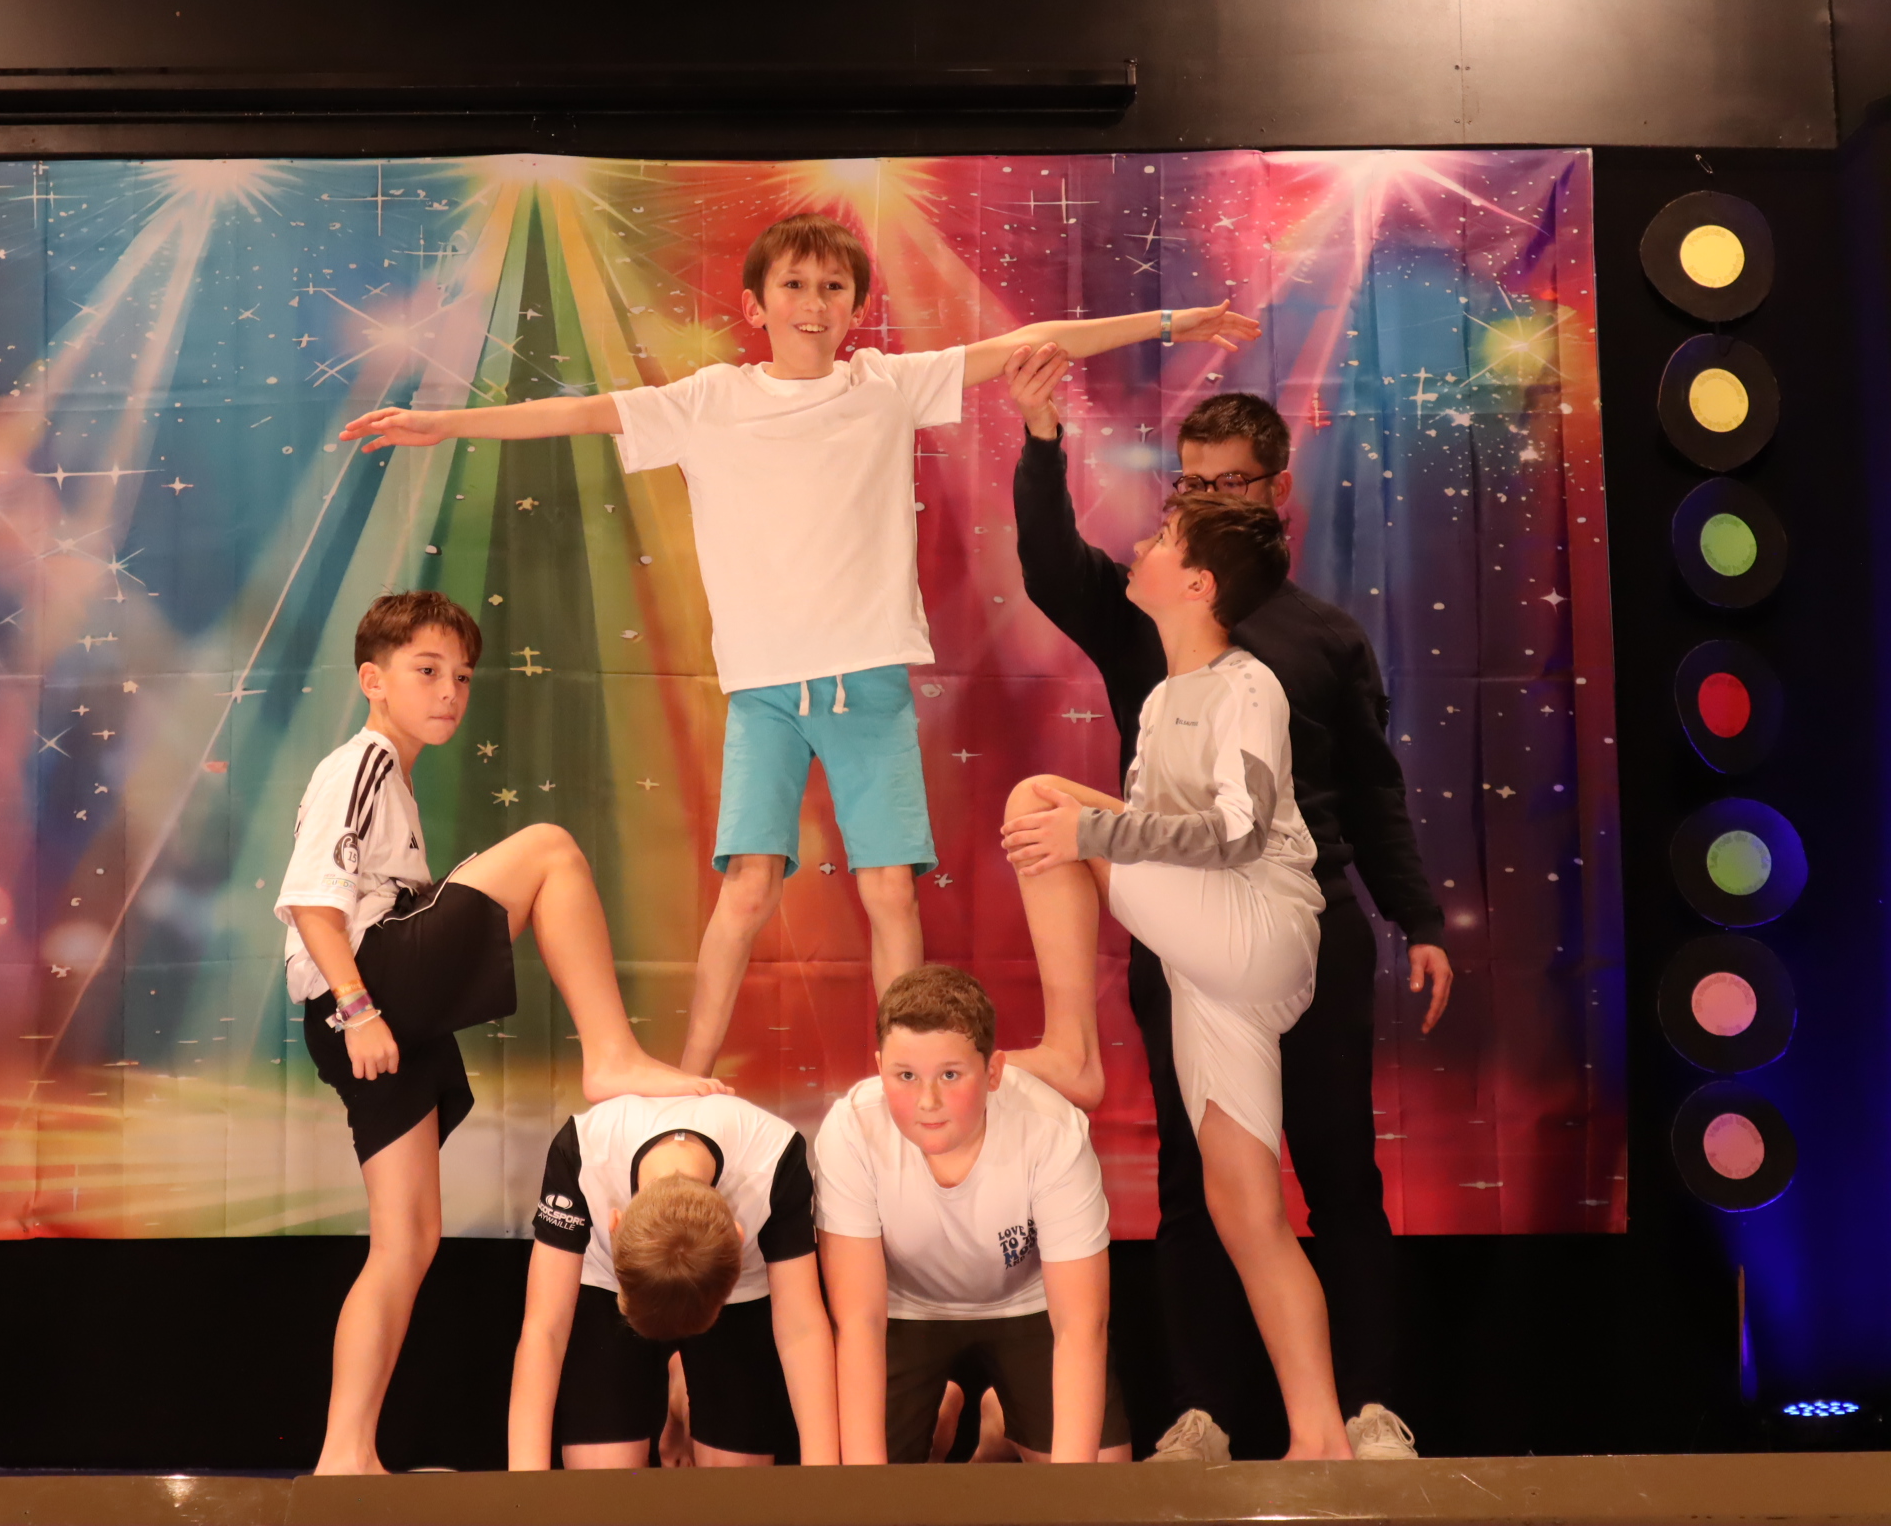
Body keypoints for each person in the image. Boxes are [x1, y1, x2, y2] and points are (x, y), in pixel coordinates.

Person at [341, 214, 1259, 1092]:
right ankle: (687, 1076)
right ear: (756, 304)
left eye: (832, 287)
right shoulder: (711, 400)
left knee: (889, 892)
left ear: (856, 307)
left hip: (868, 684)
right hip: (765, 694)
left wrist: (1172, 322)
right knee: (746, 892)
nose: (813, 303)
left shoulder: (885, 385)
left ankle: (902, 1075)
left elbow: (1032, 339)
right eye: (793, 285)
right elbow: (580, 414)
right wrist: (445, 423)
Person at [1004, 352, 1450, 1462]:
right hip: (1189, 934)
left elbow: (1350, 797)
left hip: (1281, 922)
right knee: (1220, 1194)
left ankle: (1370, 1406)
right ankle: (1248, 1418)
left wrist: (1419, 919)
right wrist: (1042, 438)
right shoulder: (1153, 655)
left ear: (1270, 494)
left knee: (1340, 1171)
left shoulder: (1293, 654)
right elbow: (1053, 566)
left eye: (1222, 488)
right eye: (1184, 488)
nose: (1189, 508)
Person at [276, 589, 723, 1476]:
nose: (449, 691)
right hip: (363, 995)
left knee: (408, 1241)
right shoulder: (360, 763)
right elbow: (312, 904)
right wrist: (360, 1010)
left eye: (463, 676)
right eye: (426, 671)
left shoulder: (394, 780)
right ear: (372, 680)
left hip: (373, 1006)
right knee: (550, 848)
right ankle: (611, 1055)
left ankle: (344, 1457)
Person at [1000, 489, 1348, 1458]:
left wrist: (1089, 830)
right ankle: (1322, 1440)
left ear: (1197, 584)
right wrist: (1097, 830)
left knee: (1042, 801)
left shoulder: (1248, 685)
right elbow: (1154, 838)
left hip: (1258, 924)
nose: (1137, 547)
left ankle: (1071, 1047)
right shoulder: (1160, 699)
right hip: (1211, 974)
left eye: (1159, 539)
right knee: (1246, 1212)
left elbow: (1236, 832)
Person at [815, 964, 1125, 1465]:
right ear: (879, 1068)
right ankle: (942, 1408)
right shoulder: (851, 1130)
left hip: (1025, 1302)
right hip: (904, 1308)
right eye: (906, 1076)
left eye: (950, 1075)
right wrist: (865, 1491)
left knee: (1101, 1477)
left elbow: (1080, 1324)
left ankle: (1004, 1422)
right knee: (866, 1478)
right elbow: (859, 1321)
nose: (928, 1101)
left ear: (994, 1072)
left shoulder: (1052, 1132)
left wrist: (1073, 1492)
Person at [508, 1091, 838, 1469]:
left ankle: (684, 1389)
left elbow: (802, 1328)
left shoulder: (774, 1154)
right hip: (608, 1287)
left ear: (737, 1235)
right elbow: (544, 1329)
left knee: (737, 1487)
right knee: (601, 1485)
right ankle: (677, 1379)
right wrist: (522, 1487)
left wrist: (825, 1477)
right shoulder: (585, 1147)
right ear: (615, 1227)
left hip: (735, 1297)